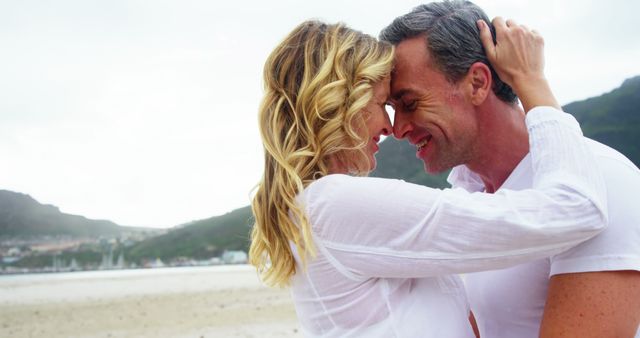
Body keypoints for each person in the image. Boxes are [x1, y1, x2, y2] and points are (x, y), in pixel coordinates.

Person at [249, 19, 607, 337]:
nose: (391, 127)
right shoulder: (336, 203)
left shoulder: (318, 208)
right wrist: (533, 83)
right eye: (380, 105)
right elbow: (575, 210)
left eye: (402, 105)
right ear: (340, 105)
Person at [380, 1, 640, 337]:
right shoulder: (470, 195)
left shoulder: (603, 181)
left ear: (477, 83)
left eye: (410, 103)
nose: (398, 129)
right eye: (391, 108)